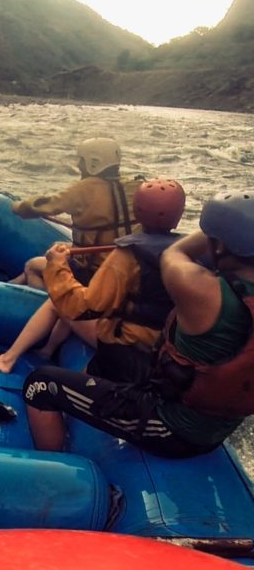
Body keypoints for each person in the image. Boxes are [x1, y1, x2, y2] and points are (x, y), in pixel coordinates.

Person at [22, 189, 254, 459]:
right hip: (215, 424)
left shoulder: (198, 288)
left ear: (220, 245)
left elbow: (174, 253)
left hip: (170, 426)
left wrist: (214, 230)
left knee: (39, 384)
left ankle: (52, 474)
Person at [0, 179, 186, 379]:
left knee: (57, 302)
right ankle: (47, 351)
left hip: (127, 344)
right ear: (179, 215)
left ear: (138, 211)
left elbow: (82, 306)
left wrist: (57, 264)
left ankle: (8, 358)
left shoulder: (127, 257)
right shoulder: (188, 253)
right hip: (161, 344)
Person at [10, 137, 144, 286]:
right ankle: (13, 284)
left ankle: (51, 305)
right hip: (124, 265)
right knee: (57, 245)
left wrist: (17, 207)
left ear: (93, 163)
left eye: (81, 160)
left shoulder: (84, 189)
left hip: (92, 270)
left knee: (32, 266)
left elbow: (43, 206)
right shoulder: (135, 187)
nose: (79, 165)